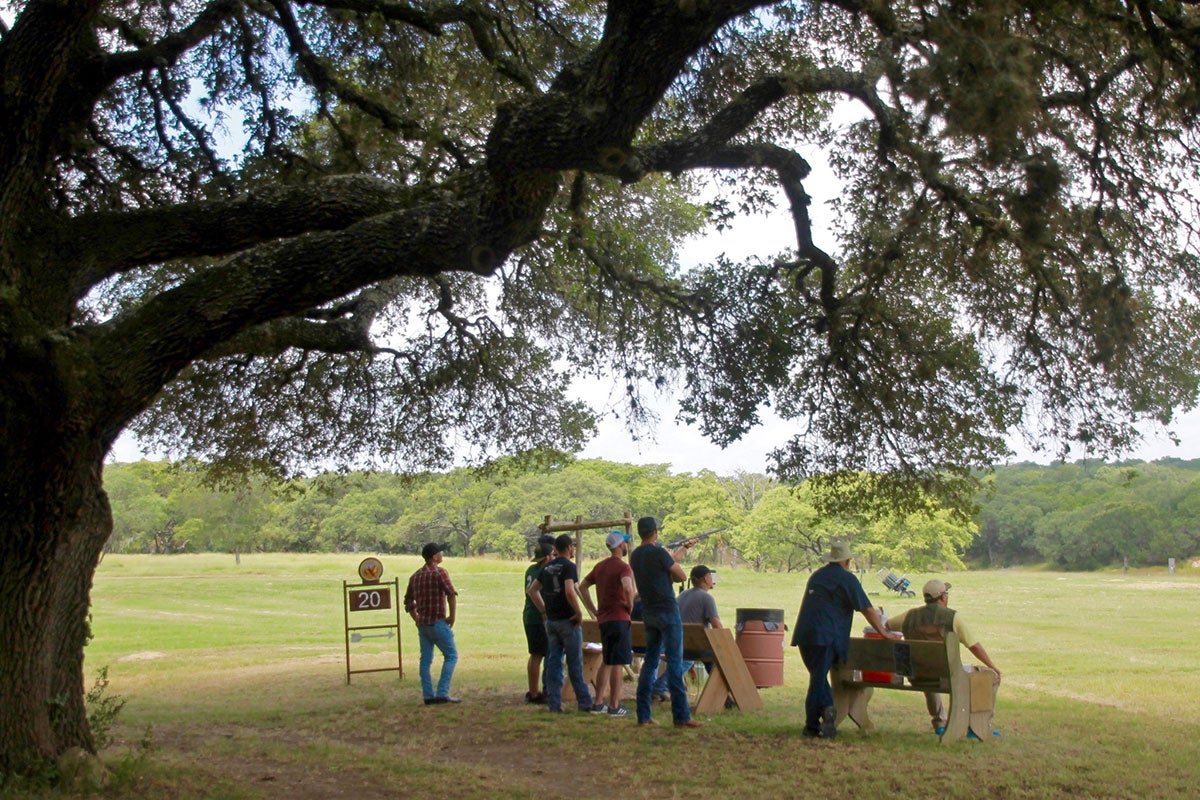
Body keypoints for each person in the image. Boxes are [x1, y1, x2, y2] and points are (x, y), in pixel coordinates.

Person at [791, 539, 897, 738]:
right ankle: (814, 724)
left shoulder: (817, 576)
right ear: (847, 561)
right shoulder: (847, 579)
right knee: (817, 679)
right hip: (827, 636)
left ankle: (826, 712)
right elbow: (867, 609)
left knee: (817, 677)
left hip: (805, 634)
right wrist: (883, 632)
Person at [883, 579, 1001, 738]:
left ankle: (939, 723)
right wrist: (992, 666)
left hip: (917, 676)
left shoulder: (909, 616)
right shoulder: (952, 617)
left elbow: (888, 626)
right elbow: (974, 646)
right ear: (943, 597)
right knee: (989, 676)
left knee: (927, 668)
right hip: (947, 677)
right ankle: (978, 727)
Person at [629, 516, 703, 728]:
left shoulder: (636, 555)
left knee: (650, 663)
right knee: (675, 662)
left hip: (649, 612)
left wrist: (683, 549)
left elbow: (665, 566)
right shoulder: (658, 552)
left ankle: (643, 716)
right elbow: (679, 575)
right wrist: (673, 559)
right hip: (668, 611)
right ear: (655, 531)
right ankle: (681, 716)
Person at [526, 533, 599, 713]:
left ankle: (554, 703)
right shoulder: (569, 566)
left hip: (551, 622)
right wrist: (578, 612)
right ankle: (584, 702)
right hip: (568, 621)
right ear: (568, 548)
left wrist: (544, 610)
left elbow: (532, 590)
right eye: (572, 547)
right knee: (574, 663)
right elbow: (569, 590)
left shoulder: (548, 567)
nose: (573, 549)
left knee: (553, 663)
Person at [579, 530, 636, 717]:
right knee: (618, 663)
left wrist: (593, 609)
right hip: (620, 618)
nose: (626, 546)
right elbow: (628, 587)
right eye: (624, 543)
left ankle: (598, 703)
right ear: (620, 546)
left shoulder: (600, 566)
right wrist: (629, 605)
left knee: (607, 660)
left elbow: (583, 586)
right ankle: (614, 706)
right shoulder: (623, 567)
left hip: (604, 620)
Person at [404, 542, 461, 705]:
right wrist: (452, 616)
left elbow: (408, 602)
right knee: (451, 655)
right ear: (435, 557)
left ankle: (428, 695)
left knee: (426, 660)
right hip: (438, 622)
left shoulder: (415, 576)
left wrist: (417, 619)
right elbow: (451, 594)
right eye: (440, 552)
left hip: (423, 625)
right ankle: (442, 692)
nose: (442, 554)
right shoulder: (440, 573)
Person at [522, 533, 557, 704]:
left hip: (529, 616)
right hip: (538, 617)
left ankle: (533, 691)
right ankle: (541, 692)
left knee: (535, 654)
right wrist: (545, 611)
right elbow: (533, 592)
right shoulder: (545, 571)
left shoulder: (531, 570)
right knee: (545, 655)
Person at [677, 564, 721, 679]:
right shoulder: (707, 598)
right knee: (718, 659)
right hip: (696, 646)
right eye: (711, 577)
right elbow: (717, 625)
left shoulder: (682, 595)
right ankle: (720, 689)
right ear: (706, 579)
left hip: (679, 643)